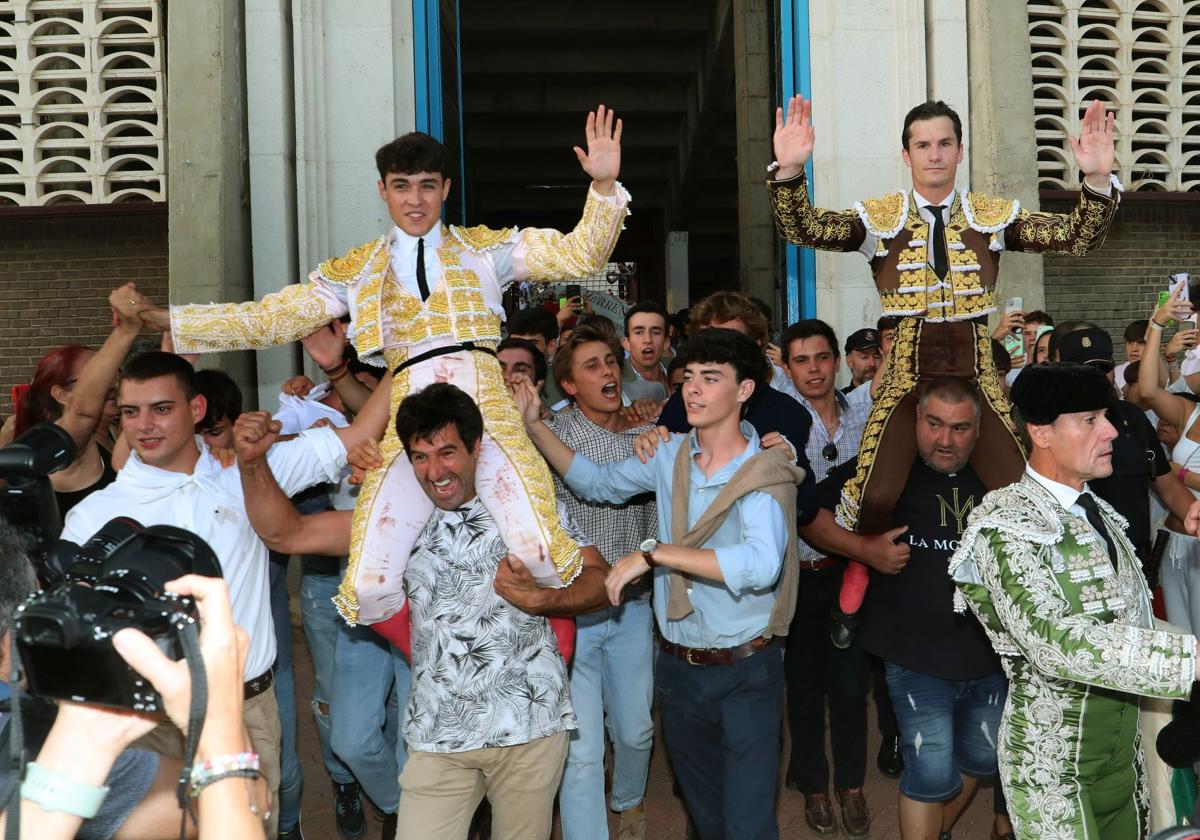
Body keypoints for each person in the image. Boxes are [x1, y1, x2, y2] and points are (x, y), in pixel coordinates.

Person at [129, 107, 630, 645]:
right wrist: (172, 321)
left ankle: (550, 657)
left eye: (426, 186)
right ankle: (439, 660)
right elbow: (268, 316)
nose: (414, 200)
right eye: (401, 186)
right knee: (368, 587)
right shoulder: (359, 269)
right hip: (409, 418)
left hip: (486, 414)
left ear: (445, 189)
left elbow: (581, 253)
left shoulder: (488, 250)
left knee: (541, 553)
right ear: (382, 191)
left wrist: (602, 184)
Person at [235, 382, 610, 838]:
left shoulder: (524, 510)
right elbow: (285, 534)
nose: (435, 471)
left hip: (530, 727)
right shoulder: (394, 521)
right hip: (437, 734)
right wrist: (253, 464)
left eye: (448, 452)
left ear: (476, 447)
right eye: (420, 456)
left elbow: (601, 582)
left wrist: (543, 598)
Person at [769, 96, 1121, 533]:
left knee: (1018, 484)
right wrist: (789, 172)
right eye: (922, 145)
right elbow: (804, 227)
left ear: (960, 151)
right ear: (906, 154)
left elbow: (1075, 238)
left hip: (975, 368)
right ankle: (864, 571)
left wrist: (1098, 179)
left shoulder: (990, 218)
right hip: (905, 372)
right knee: (873, 496)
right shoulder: (879, 219)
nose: (934, 154)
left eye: (944, 143)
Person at [59, 351, 368, 836]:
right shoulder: (94, 516)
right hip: (149, 722)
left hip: (247, 709)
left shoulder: (246, 471)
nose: (145, 425)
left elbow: (362, 432)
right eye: (130, 412)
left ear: (196, 409)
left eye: (161, 408)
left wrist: (357, 363)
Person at [519, 328, 806, 840]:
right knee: (706, 817)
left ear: (744, 391)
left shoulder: (766, 469)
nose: (693, 390)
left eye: (711, 379)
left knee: (749, 823)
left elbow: (761, 565)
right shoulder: (667, 455)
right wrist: (538, 426)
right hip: (678, 669)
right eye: (689, 378)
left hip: (746, 669)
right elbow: (597, 483)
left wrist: (654, 554)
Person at [950, 362, 1200, 840]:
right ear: (1041, 433)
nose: (1111, 431)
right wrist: (1190, 659)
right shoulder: (1003, 523)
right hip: (1055, 770)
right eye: (1090, 419)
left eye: (1106, 415)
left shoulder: (1099, 510)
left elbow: (1134, 622)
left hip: (1124, 760)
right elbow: (1053, 641)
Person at [815, 378, 1011, 840]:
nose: (946, 440)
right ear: (916, 421)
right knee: (930, 768)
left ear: (980, 428)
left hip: (988, 656)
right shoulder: (886, 471)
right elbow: (810, 514)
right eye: (935, 424)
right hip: (912, 654)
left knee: (983, 758)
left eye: (960, 428)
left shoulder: (1003, 477)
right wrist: (864, 550)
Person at [0, 516, 199, 840]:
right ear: (14, 633)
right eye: (40, 598)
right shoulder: (43, 745)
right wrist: (216, 722)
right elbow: (205, 807)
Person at [540, 322, 657, 840]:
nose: (608, 371)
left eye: (611, 361)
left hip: (634, 608)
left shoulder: (649, 435)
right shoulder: (554, 439)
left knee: (636, 731)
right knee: (582, 749)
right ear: (568, 385)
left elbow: (660, 516)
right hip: (578, 615)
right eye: (593, 366)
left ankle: (629, 799)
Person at [775, 320, 872, 838]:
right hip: (796, 575)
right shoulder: (777, 423)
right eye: (801, 361)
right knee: (805, 688)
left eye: (821, 357)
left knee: (852, 688)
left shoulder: (867, 414)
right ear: (787, 368)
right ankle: (814, 787)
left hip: (852, 574)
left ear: (836, 361)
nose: (813, 368)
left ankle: (852, 787)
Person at [509, 305, 572, 410]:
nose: (521, 351)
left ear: (552, 346)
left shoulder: (563, 384)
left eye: (532, 343)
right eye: (515, 343)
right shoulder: (490, 379)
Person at [621, 300, 672, 402]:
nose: (648, 339)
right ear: (627, 343)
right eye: (639, 332)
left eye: (656, 332)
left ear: (666, 343)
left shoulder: (680, 373)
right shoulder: (616, 382)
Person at [842, 328, 882, 393]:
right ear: (849, 362)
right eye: (864, 357)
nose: (872, 363)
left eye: (877, 357)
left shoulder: (896, 399)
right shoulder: (841, 401)